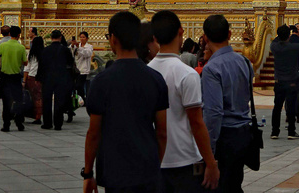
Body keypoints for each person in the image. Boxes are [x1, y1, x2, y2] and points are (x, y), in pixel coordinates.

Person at [83, 11, 169, 193]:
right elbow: (162, 132)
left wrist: (88, 174)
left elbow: (93, 133)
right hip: (148, 169)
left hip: (115, 169)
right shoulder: (156, 79)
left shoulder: (101, 81)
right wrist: (155, 165)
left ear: (113, 39)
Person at [149, 10, 218, 193]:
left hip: (152, 159)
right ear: (181, 32)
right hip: (183, 160)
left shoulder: (145, 72)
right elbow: (196, 122)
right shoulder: (187, 74)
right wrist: (210, 162)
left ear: (154, 37)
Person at [200, 16, 255, 193]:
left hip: (225, 136)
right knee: (235, 184)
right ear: (230, 34)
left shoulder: (211, 68)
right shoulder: (245, 62)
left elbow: (214, 112)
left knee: (220, 186)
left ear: (205, 38)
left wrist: (209, 152)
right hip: (243, 133)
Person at [267, 24, 299, 141]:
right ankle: (291, 131)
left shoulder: (274, 47)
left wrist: (283, 31)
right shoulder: (293, 47)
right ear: (289, 36)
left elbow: (276, 39)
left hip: (279, 81)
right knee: (291, 107)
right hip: (291, 81)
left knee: (277, 107)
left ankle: (274, 131)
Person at [38, 29, 76, 131]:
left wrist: (39, 77)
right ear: (60, 37)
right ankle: (58, 123)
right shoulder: (65, 50)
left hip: (47, 78)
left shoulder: (45, 50)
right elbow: (70, 63)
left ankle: (47, 123)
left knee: (47, 101)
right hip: (61, 78)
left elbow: (41, 65)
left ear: (51, 38)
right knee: (59, 101)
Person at [0, 24, 28, 133]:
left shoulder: (2, 46)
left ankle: (6, 125)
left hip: (5, 77)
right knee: (18, 101)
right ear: (19, 35)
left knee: (6, 102)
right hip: (15, 77)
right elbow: (25, 62)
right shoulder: (21, 47)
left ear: (10, 34)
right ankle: (19, 124)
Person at [74, 32, 95, 110]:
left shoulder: (89, 47)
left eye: (83, 37)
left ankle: (83, 99)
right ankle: (80, 99)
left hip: (83, 69)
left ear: (87, 38)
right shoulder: (77, 46)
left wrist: (79, 48)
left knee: (79, 85)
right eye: (81, 37)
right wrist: (73, 46)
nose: (82, 39)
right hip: (76, 68)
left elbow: (87, 54)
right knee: (77, 86)